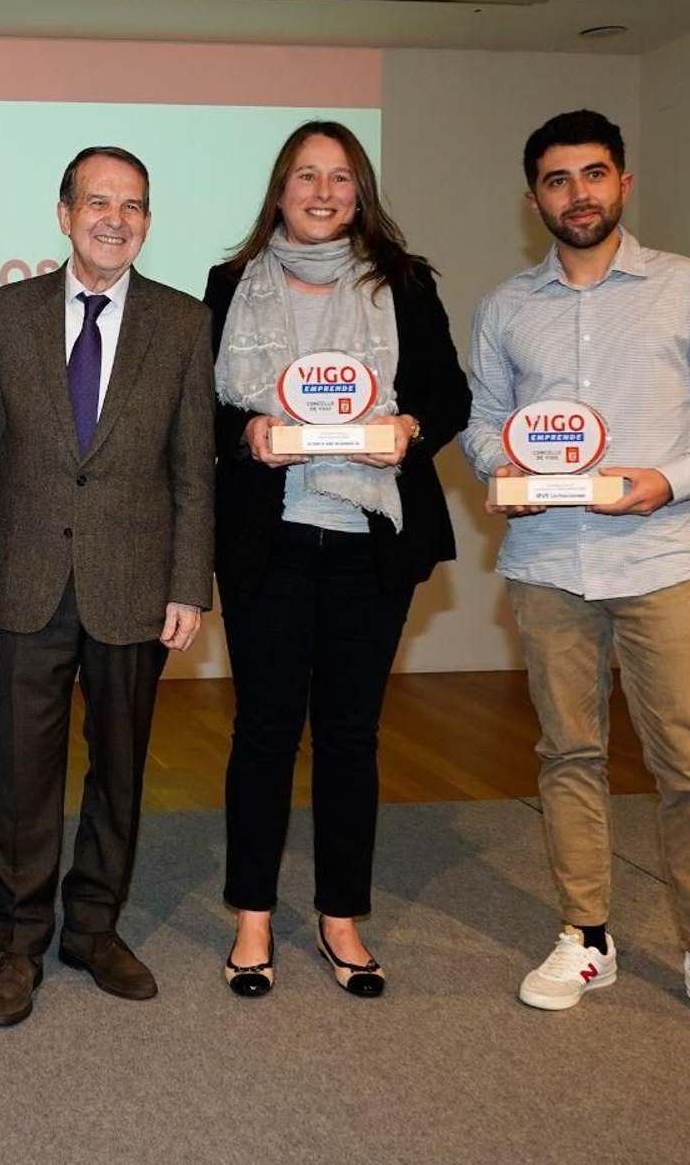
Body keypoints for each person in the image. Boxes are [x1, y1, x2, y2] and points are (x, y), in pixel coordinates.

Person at [461, 109, 690, 1046]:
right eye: (558, 181)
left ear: (623, 183)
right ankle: (586, 935)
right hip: (547, 564)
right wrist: (502, 472)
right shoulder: (505, 306)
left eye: (594, 174)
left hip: (662, 560)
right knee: (568, 756)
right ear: (535, 201)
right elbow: (485, 418)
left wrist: (671, 479)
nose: (579, 194)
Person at [207, 121, 469, 998]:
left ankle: (340, 918)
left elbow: (448, 395)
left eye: (342, 178)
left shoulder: (404, 282)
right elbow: (193, 412)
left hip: (371, 542)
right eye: (306, 176)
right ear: (279, 190)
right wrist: (245, 433)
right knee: (265, 733)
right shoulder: (230, 283)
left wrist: (409, 428)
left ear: (362, 194)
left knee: (352, 737)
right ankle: (252, 916)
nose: (323, 192)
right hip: (269, 537)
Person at [0, 146, 215, 1027]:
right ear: (63, 213)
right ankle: (21, 942)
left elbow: (194, 469)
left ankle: (93, 927)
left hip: (135, 585)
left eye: (133, 205)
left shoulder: (182, 323)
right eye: (98, 202)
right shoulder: (4, 313)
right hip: (27, 576)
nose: (116, 218)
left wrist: (189, 583)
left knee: (120, 769)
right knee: (23, 772)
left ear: (148, 220)